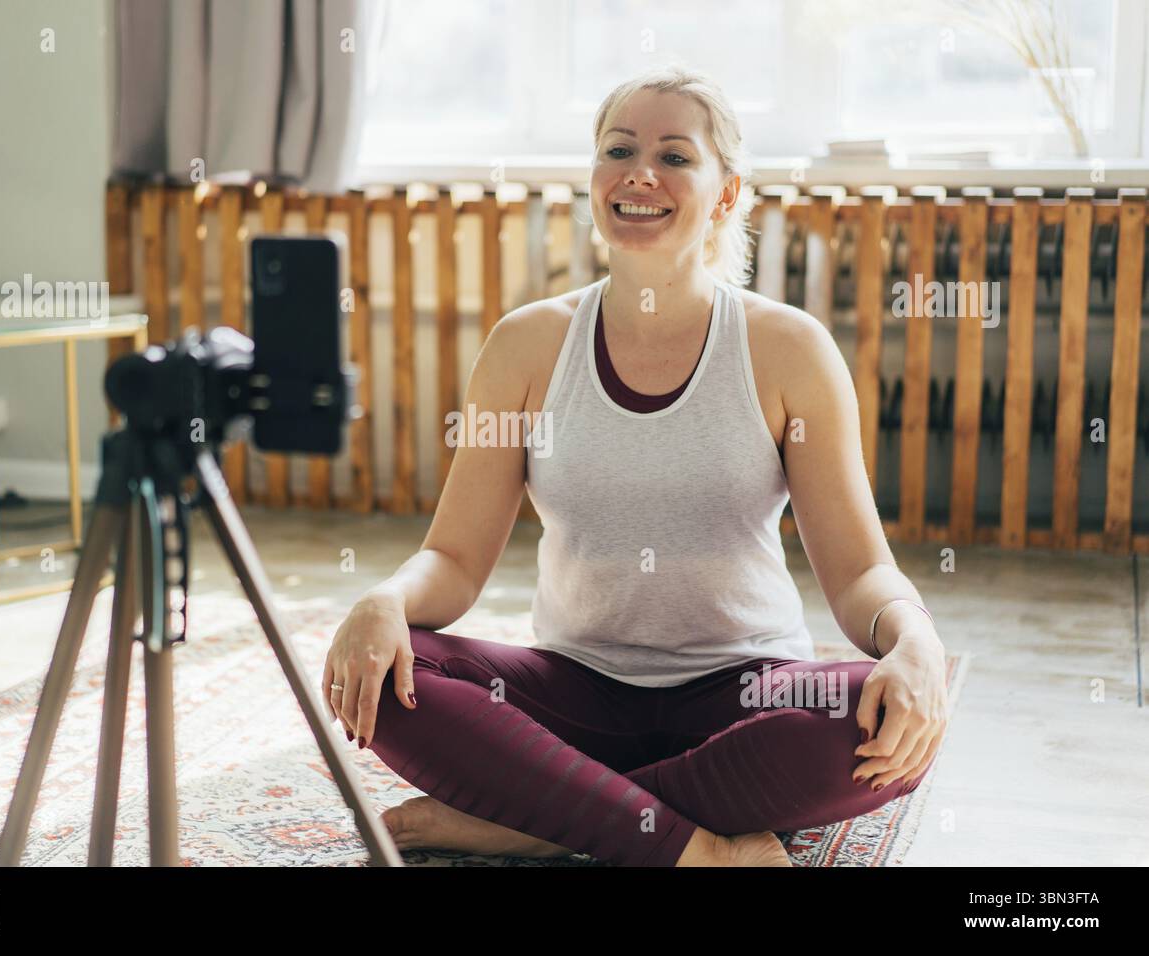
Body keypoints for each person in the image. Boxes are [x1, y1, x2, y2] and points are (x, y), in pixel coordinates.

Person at [322, 64, 949, 867]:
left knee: (880, 722)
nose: (639, 174)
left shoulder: (789, 348)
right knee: (389, 679)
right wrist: (383, 598)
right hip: (574, 687)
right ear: (594, 181)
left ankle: (538, 818)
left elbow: (860, 571)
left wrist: (915, 641)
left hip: (749, 690)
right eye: (618, 150)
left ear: (727, 194)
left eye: (676, 157)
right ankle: (696, 849)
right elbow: (451, 559)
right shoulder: (526, 344)